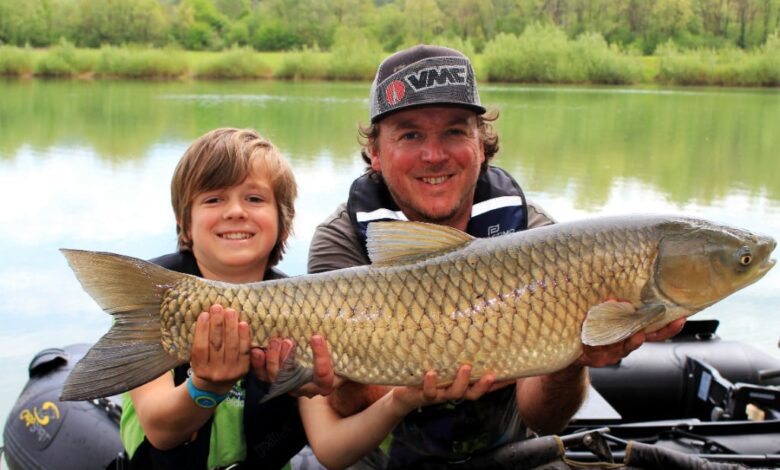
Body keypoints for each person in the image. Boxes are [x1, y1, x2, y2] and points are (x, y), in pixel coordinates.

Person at [300, 45, 685, 469]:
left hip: (507, 454)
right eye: (410, 134)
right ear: (375, 151)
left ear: (481, 144)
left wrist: (572, 359)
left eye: (455, 132)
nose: (434, 155)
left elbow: (544, 417)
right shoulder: (342, 239)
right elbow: (342, 401)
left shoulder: (540, 240)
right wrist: (419, 382)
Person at [119, 128, 335, 470]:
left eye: (254, 199)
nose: (235, 211)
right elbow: (159, 430)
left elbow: (333, 448)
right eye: (213, 199)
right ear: (184, 223)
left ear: (283, 221)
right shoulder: (155, 295)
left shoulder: (304, 304)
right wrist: (206, 387)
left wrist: (399, 400)